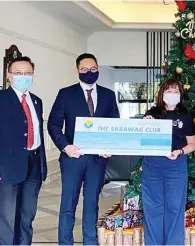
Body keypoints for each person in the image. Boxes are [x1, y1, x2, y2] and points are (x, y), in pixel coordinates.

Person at [48, 53, 120, 245]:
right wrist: (65, 147)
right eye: (84, 69)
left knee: (91, 204)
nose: (89, 72)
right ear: (77, 70)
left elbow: (114, 125)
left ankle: (90, 241)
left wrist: (109, 146)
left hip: (97, 159)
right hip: (73, 158)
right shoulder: (66, 94)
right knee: (68, 205)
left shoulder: (108, 95)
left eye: (93, 69)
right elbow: (54, 124)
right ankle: (65, 242)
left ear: (99, 69)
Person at [0, 56, 48, 245]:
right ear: (9, 76)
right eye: (18, 73)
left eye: (28, 73)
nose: (23, 76)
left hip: (34, 164)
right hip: (7, 165)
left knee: (27, 215)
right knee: (7, 215)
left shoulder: (36, 101)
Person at [141, 79, 195, 245]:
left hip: (176, 166)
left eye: (176, 92)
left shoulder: (186, 117)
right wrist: (145, 126)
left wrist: (180, 152)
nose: (172, 95)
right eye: (168, 91)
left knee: (175, 207)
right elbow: (142, 140)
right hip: (152, 165)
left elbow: (193, 144)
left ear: (180, 95)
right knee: (153, 208)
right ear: (161, 94)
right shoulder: (151, 114)